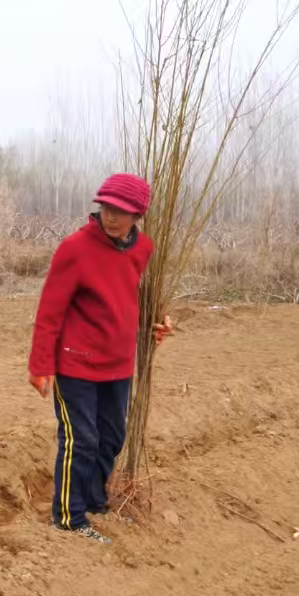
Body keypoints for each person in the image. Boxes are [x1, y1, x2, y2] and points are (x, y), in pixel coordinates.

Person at [28, 173, 174, 544]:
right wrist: (40, 365)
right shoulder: (75, 249)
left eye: (120, 211)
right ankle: (69, 518)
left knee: (111, 437)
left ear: (138, 215)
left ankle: (95, 502)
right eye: (106, 208)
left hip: (119, 364)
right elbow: (50, 312)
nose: (111, 216)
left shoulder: (144, 249)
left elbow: (134, 296)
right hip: (75, 364)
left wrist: (157, 321)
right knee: (81, 440)